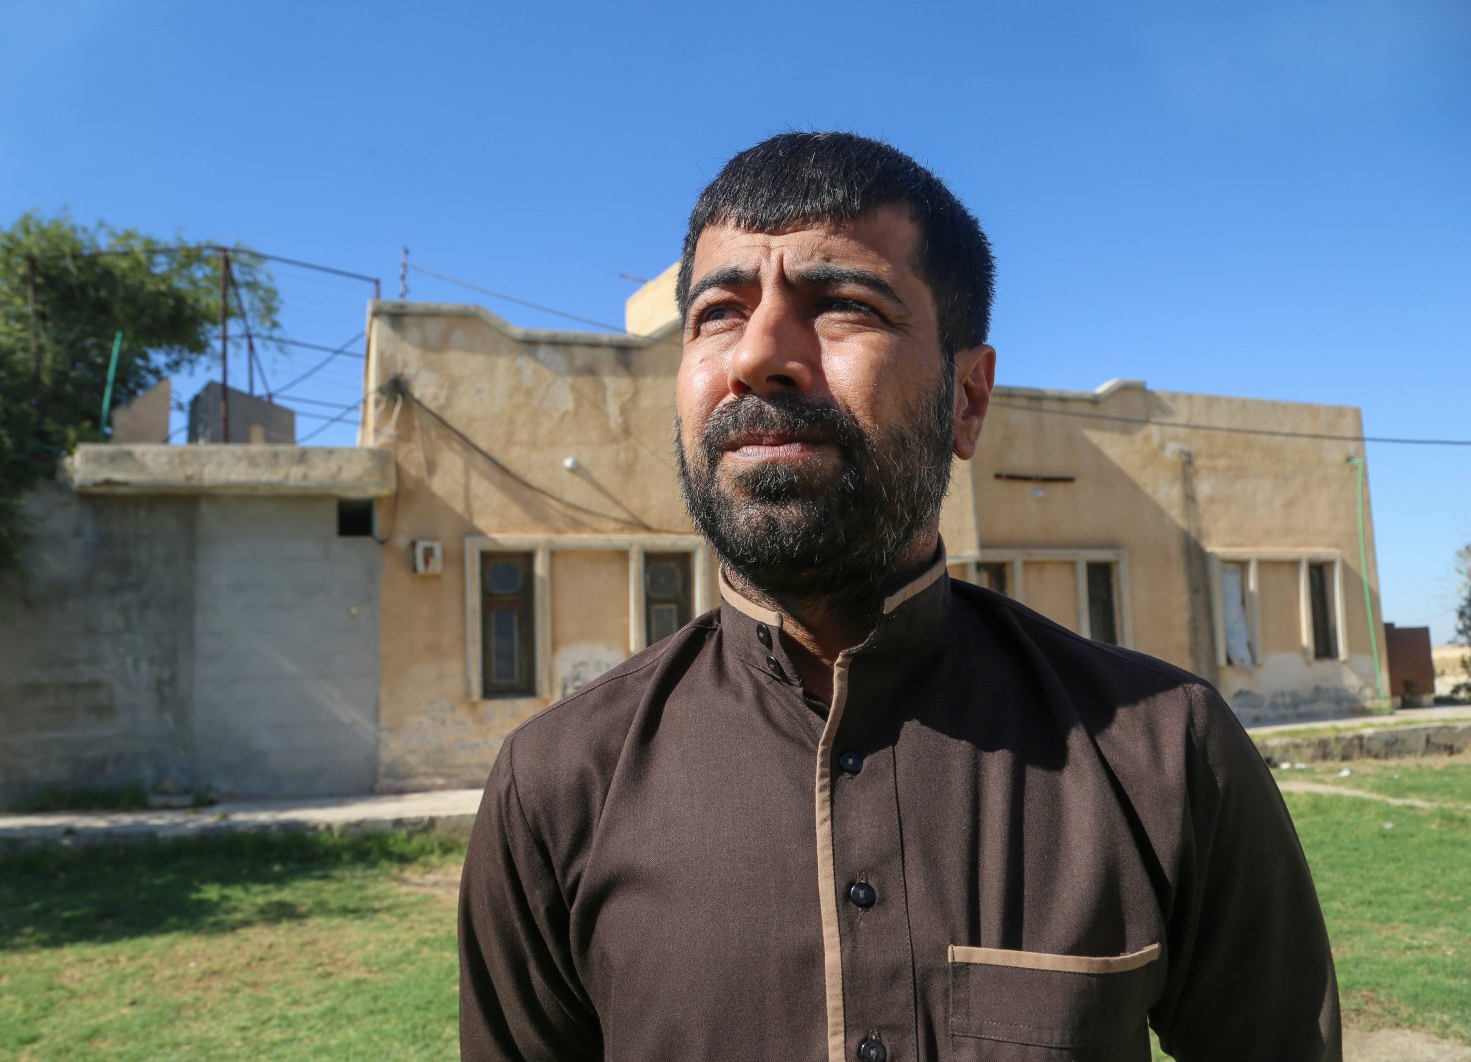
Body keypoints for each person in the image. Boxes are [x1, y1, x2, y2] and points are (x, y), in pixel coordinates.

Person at [458, 131, 1341, 1061]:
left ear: (967, 397)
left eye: (841, 304)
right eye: (717, 312)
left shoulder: (1165, 753)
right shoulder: (555, 789)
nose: (758, 356)